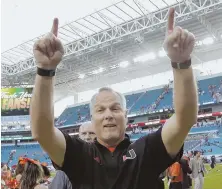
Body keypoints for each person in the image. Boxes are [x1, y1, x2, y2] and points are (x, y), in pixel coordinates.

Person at [30, 7, 198, 189]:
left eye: (115, 108)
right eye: (100, 110)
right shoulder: (79, 154)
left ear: (125, 116)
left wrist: (181, 64)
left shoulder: (147, 150)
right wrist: (45, 72)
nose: (108, 115)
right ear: (92, 120)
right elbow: (42, 131)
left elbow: (184, 119)